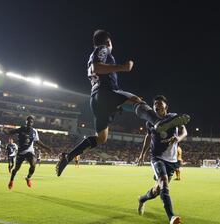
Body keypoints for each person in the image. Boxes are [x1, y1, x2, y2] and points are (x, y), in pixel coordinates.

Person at [56, 30, 190, 176]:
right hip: (106, 91)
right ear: (108, 42)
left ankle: (68, 156)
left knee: (101, 138)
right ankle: (158, 122)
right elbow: (96, 68)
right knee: (137, 101)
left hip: (96, 99)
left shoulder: (92, 55)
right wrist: (122, 67)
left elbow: (93, 69)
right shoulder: (103, 49)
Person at [137, 95, 188, 224]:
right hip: (157, 157)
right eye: (155, 104)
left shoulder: (174, 117)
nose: (157, 106)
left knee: (157, 190)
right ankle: (171, 217)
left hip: (172, 160)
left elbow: (184, 131)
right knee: (164, 183)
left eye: (160, 103)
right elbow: (148, 137)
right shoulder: (150, 121)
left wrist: (178, 138)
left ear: (166, 106)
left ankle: (142, 199)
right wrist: (142, 154)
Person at [3, 115, 52, 189]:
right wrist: (5, 131)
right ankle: (11, 180)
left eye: (31, 122)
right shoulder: (21, 129)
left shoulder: (34, 131)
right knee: (16, 168)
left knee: (33, 164)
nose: (30, 123)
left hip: (29, 151)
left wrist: (46, 148)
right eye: (28, 122)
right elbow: (11, 132)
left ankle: (28, 178)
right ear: (26, 122)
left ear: (33, 123)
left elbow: (37, 141)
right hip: (21, 152)